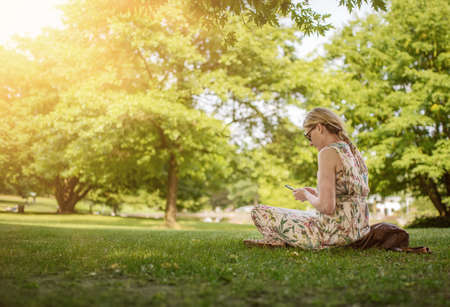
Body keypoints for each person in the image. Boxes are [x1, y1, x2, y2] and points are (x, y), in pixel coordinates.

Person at [244, 107, 370, 249]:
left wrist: (306, 195)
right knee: (303, 215)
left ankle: (278, 240)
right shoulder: (351, 152)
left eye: (308, 136)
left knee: (259, 211)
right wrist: (315, 194)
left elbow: (327, 207)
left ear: (319, 128)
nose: (310, 142)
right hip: (358, 233)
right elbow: (347, 196)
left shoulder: (328, 153)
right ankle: (278, 240)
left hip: (333, 236)